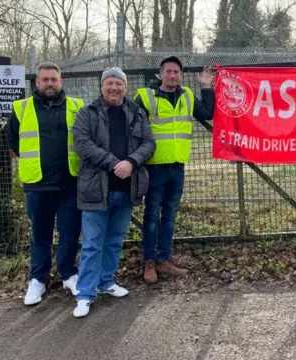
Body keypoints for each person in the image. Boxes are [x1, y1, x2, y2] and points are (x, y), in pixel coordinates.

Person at [71, 67, 155, 318]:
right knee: (92, 244)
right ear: (101, 86)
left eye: (118, 83)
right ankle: (84, 294)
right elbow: (82, 144)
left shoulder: (137, 113)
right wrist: (113, 163)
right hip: (97, 189)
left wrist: (130, 161)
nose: (114, 88)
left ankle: (106, 282)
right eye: (109, 83)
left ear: (125, 87)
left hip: (127, 189)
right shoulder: (87, 113)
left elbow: (149, 143)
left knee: (114, 241)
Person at [7, 62, 84, 306]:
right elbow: (14, 145)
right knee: (40, 235)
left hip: (70, 183)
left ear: (61, 82)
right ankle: (38, 279)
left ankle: (69, 274)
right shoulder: (21, 108)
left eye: (54, 79)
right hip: (38, 185)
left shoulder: (77, 107)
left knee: (70, 233)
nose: (49, 83)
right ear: (36, 83)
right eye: (45, 79)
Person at [134, 56, 214, 284]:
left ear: (181, 75)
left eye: (176, 72)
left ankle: (163, 260)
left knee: (169, 216)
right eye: (168, 72)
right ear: (161, 73)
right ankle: (149, 262)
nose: (172, 76)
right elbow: (133, 129)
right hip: (153, 167)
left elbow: (208, 113)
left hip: (178, 166)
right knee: (151, 216)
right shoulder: (145, 96)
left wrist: (206, 86)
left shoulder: (187, 96)